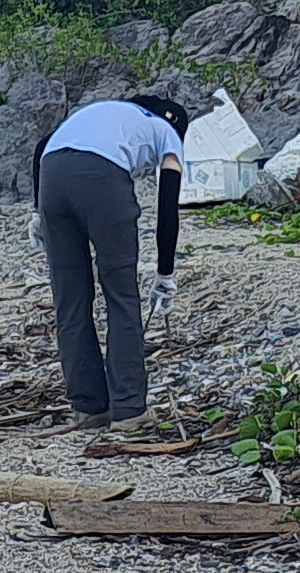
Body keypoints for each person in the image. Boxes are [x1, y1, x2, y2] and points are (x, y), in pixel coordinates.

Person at [36, 92, 188, 423]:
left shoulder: (100, 112)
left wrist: (38, 211)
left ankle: (89, 408)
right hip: (102, 179)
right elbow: (168, 205)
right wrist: (165, 274)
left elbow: (43, 146)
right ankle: (129, 410)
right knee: (121, 296)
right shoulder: (166, 131)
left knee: (70, 300)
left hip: (52, 173)